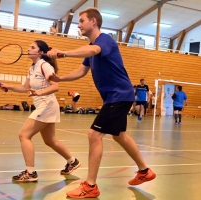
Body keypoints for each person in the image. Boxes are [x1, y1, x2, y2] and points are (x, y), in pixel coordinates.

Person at [47, 8, 156, 198]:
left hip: (119, 95)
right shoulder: (91, 47)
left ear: (94, 21)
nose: (78, 24)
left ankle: (90, 186)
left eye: (81, 21)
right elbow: (82, 71)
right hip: (118, 96)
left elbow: (94, 50)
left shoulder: (103, 40)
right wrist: (61, 78)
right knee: (119, 135)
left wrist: (64, 53)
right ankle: (145, 171)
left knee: (94, 134)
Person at [0, 40, 80, 182]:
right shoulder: (32, 68)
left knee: (24, 135)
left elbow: (55, 86)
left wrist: (40, 93)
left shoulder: (45, 66)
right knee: (50, 140)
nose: (28, 49)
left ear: (41, 52)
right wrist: (8, 86)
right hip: (45, 105)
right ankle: (72, 161)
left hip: (47, 105)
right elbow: (25, 88)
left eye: (32, 47)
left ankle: (30, 173)